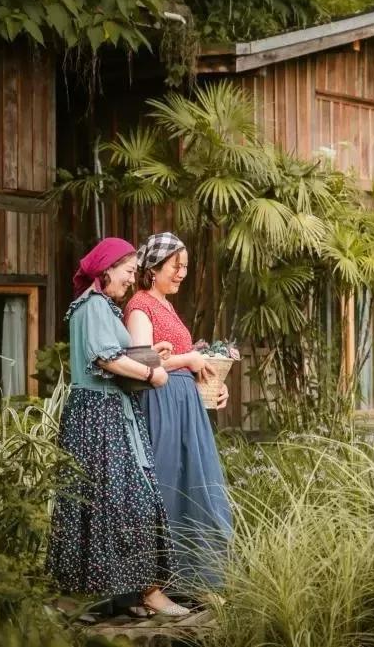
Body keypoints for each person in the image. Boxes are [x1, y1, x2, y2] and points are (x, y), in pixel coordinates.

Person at [46, 237, 190, 617]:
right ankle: (123, 594)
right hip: (99, 414)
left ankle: (128, 594)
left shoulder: (102, 308)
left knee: (116, 503)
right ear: (106, 270)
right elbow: (105, 358)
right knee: (125, 500)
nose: (131, 279)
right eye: (128, 272)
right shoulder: (93, 306)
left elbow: (115, 351)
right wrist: (151, 373)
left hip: (109, 411)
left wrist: (151, 353)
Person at [124, 232, 232, 598]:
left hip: (186, 406)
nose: (182, 273)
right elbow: (140, 361)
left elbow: (184, 360)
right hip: (161, 406)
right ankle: (154, 587)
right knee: (168, 486)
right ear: (153, 268)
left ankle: (194, 580)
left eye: (185, 266)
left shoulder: (167, 306)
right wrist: (189, 360)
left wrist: (214, 384)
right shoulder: (141, 306)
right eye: (176, 266)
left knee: (197, 488)